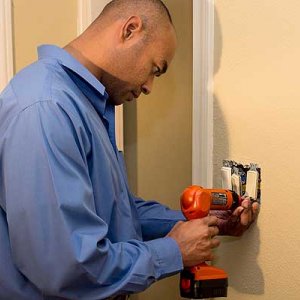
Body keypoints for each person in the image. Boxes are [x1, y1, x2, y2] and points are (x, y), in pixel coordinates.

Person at [0, 0, 259, 299]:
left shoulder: (87, 106)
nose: (149, 86)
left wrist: (206, 225)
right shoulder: (47, 109)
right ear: (130, 30)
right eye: (155, 69)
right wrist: (174, 251)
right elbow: (68, 267)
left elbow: (115, 212)